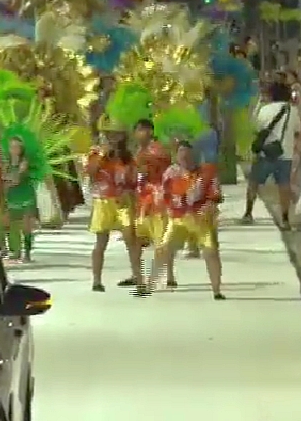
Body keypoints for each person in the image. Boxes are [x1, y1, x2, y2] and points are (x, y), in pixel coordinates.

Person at [144, 141, 225, 299]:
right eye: (181, 154)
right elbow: (164, 195)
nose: (185, 157)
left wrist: (210, 205)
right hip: (178, 218)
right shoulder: (171, 173)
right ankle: (150, 284)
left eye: (188, 154)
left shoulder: (207, 172)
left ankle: (217, 290)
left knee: (211, 252)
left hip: (200, 219)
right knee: (163, 249)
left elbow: (216, 195)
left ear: (195, 155)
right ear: (177, 156)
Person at [86, 132, 143, 292]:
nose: (111, 139)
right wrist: (102, 155)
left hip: (123, 200)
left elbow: (134, 179)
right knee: (101, 242)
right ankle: (97, 281)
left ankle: (137, 276)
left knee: (131, 238)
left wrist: (132, 194)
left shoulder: (127, 157)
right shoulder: (95, 155)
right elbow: (91, 174)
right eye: (107, 136)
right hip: (103, 200)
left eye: (115, 136)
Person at [242, 82, 296, 229]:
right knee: (284, 185)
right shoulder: (293, 110)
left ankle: (248, 213)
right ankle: (285, 219)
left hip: (265, 153)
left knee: (254, 182)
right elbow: (297, 130)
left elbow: (255, 128)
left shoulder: (265, 109)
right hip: (285, 153)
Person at [127, 119, 172, 288]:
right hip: (143, 199)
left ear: (151, 131)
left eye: (145, 130)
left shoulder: (156, 150)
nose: (142, 133)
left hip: (157, 198)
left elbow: (155, 170)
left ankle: (167, 276)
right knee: (137, 239)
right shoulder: (139, 150)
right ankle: (137, 275)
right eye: (139, 130)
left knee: (160, 238)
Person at [0, 136, 38, 263]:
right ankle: (14, 251)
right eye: (12, 147)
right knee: (8, 224)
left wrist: (8, 180)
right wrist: (8, 180)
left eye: (17, 147)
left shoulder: (24, 162)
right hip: (12, 196)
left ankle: (27, 253)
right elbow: (3, 178)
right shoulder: (6, 163)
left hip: (26, 195)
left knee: (26, 226)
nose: (15, 149)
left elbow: (16, 179)